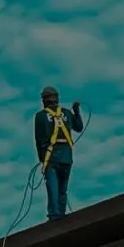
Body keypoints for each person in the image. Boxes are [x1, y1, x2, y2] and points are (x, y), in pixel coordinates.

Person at [33, 86, 84, 220]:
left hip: (51, 157)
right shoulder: (66, 113)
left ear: (44, 101)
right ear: (57, 99)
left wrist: (42, 160)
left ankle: (55, 216)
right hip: (67, 156)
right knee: (63, 188)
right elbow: (79, 127)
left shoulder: (40, 116)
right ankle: (62, 215)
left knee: (53, 189)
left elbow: (38, 140)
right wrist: (76, 111)